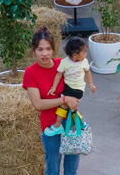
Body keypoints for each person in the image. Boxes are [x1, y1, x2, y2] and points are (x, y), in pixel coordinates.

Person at [23, 28, 81, 175]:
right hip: (50, 126)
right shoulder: (30, 72)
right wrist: (63, 99)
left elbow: (77, 83)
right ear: (34, 51)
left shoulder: (63, 64)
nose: (45, 54)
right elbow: (38, 104)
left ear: (53, 50)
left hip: (71, 122)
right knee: (52, 166)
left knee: (72, 167)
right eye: (40, 49)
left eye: (48, 49)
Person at [44, 38, 95, 136]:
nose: (86, 55)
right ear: (75, 55)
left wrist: (91, 84)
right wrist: (54, 87)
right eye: (84, 52)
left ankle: (57, 126)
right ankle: (78, 124)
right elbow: (58, 75)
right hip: (67, 87)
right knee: (71, 107)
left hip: (78, 89)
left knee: (64, 105)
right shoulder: (65, 62)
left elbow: (87, 72)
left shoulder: (84, 62)